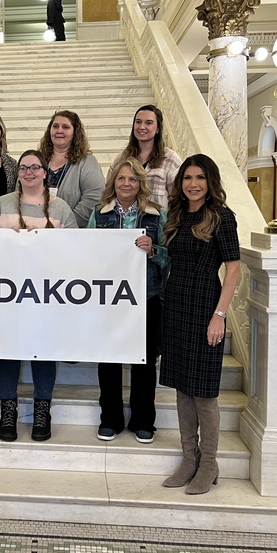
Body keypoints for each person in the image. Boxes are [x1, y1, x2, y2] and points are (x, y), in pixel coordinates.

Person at [159, 154, 240, 495]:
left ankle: (209, 463)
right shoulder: (177, 214)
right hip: (176, 306)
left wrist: (219, 315)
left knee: (204, 392)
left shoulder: (222, 216)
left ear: (210, 182)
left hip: (206, 307)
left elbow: (233, 269)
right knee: (182, 388)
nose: (193, 184)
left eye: (200, 178)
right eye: (188, 178)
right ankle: (188, 459)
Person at [0, 150, 77, 442]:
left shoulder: (60, 208)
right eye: (24, 167)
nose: (29, 172)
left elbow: (75, 250)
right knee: (8, 351)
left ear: (45, 173)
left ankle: (42, 410)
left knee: (43, 350)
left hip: (46, 295)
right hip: (8, 294)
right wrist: (7, 240)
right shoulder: (1, 204)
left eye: (35, 167)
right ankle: (8, 410)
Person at [88, 158, 168, 444]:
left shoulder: (157, 215)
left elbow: (169, 256)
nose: (126, 183)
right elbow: (88, 253)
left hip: (146, 296)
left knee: (144, 361)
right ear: (113, 182)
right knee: (108, 359)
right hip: (109, 298)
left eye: (132, 179)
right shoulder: (99, 214)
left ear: (140, 184)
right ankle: (110, 418)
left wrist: (153, 250)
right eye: (121, 178)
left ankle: (143, 420)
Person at [38, 110, 105, 228]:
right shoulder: (37, 159)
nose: (59, 130)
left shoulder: (87, 162)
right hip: (36, 229)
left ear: (75, 132)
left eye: (65, 127)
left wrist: (66, 224)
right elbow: (21, 190)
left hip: (73, 231)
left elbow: (93, 198)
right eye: (55, 126)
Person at [112, 105, 182, 209]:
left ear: (158, 129)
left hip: (159, 218)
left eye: (148, 123)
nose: (142, 127)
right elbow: (110, 192)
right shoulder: (121, 159)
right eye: (138, 122)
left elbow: (178, 199)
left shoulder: (171, 160)